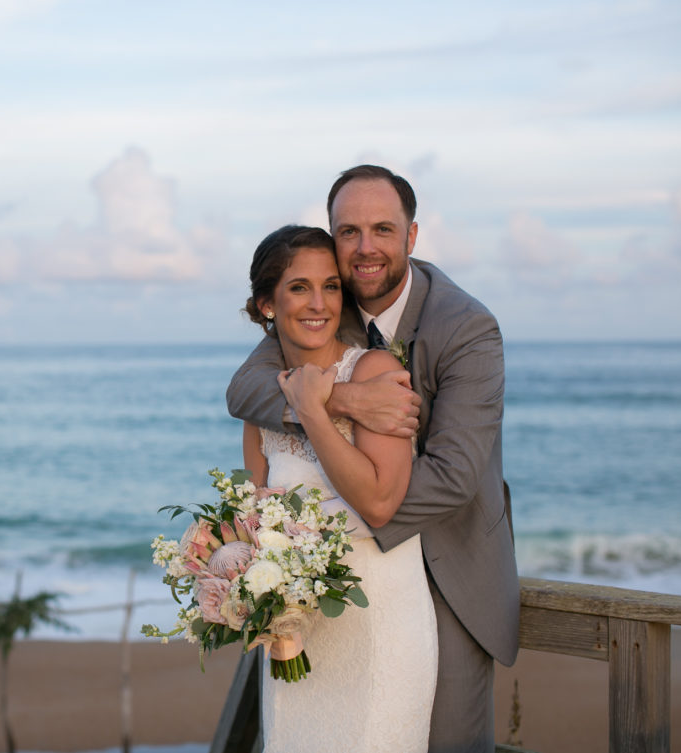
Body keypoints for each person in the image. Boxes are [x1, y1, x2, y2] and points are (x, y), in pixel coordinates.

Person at [227, 166, 519, 753]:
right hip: (328, 589)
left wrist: (317, 538)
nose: (365, 249)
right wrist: (347, 397)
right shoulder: (325, 300)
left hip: (449, 565)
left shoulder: (467, 328)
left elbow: (454, 478)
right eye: (349, 231)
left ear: (411, 237)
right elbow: (246, 389)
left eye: (383, 229)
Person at [239, 224, 438, 752]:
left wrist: (313, 408)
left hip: (381, 621)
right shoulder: (262, 396)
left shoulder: (374, 369)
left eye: (331, 286)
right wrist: (241, 581)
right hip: (298, 631)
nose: (319, 303)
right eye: (299, 288)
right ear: (266, 304)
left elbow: (379, 501)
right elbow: (256, 515)